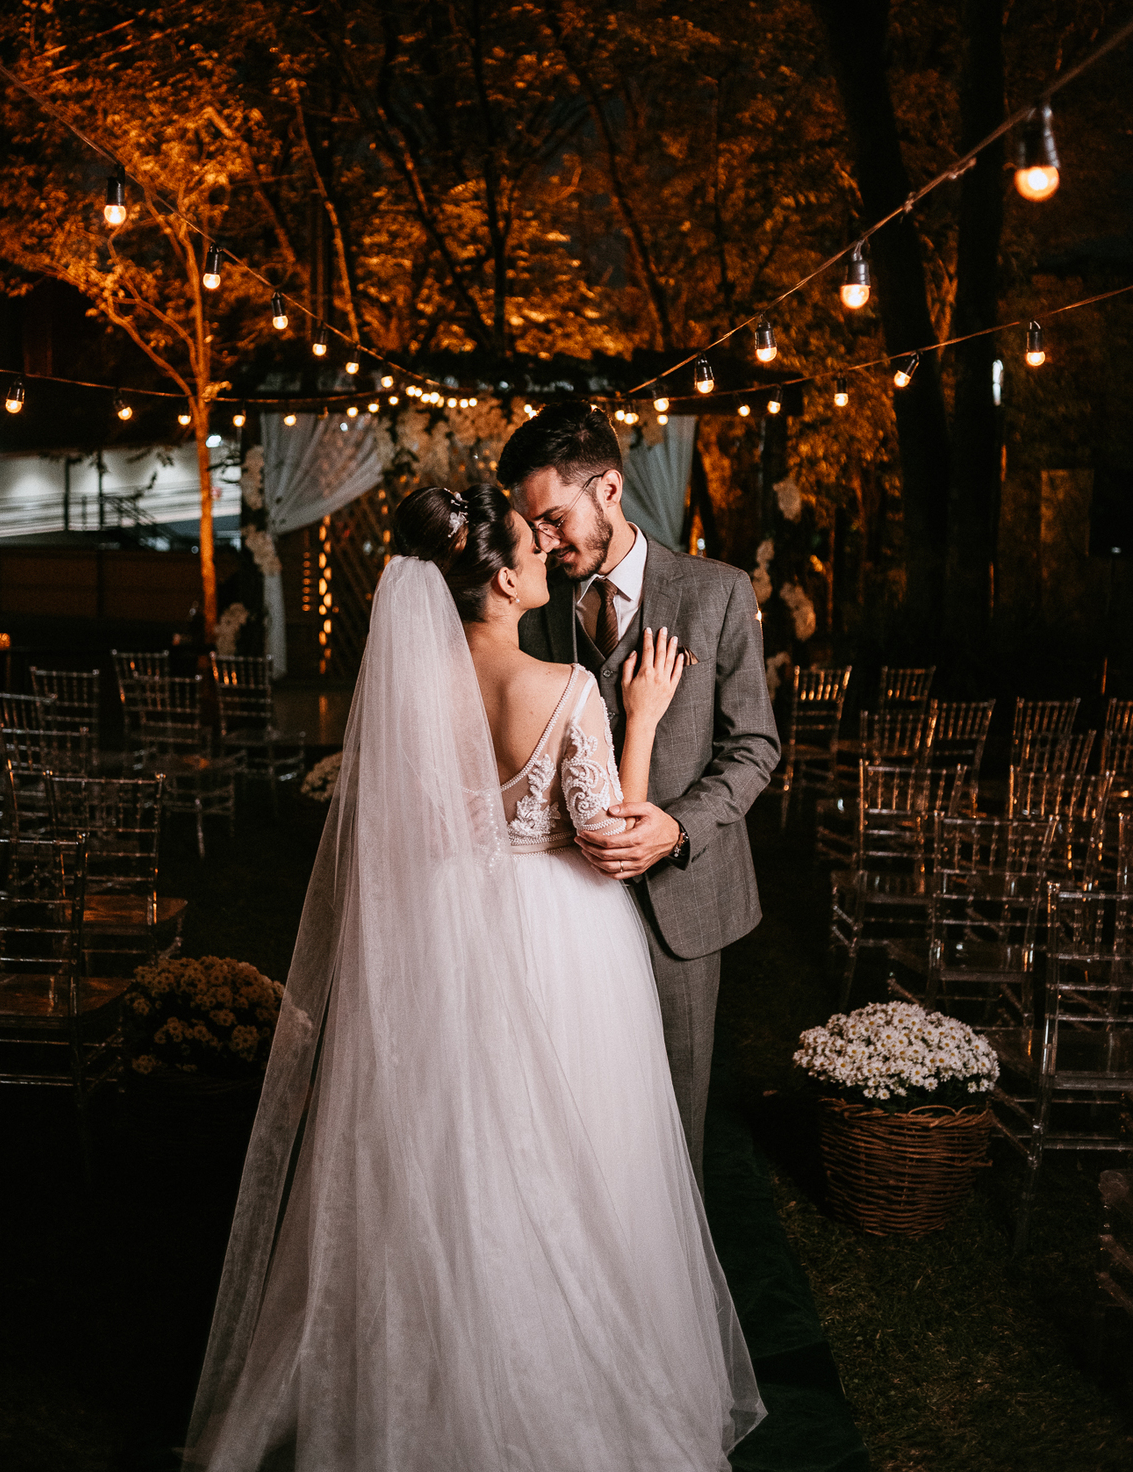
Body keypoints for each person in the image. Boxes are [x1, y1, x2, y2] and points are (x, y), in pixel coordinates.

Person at [184, 484, 763, 1471]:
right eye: (535, 547)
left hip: (447, 929)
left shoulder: (413, 690)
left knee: (452, 1147)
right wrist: (642, 719)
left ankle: (427, 1370)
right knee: (569, 1154)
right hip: (561, 938)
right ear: (500, 580)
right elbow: (609, 844)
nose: (548, 556)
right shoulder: (565, 687)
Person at [497, 402, 779, 1187]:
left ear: (610, 489)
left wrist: (677, 829)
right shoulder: (531, 605)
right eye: (532, 526)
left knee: (675, 1124)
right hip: (566, 906)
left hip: (678, 909)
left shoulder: (719, 593)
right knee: (577, 1112)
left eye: (554, 519)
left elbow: (755, 746)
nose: (543, 542)